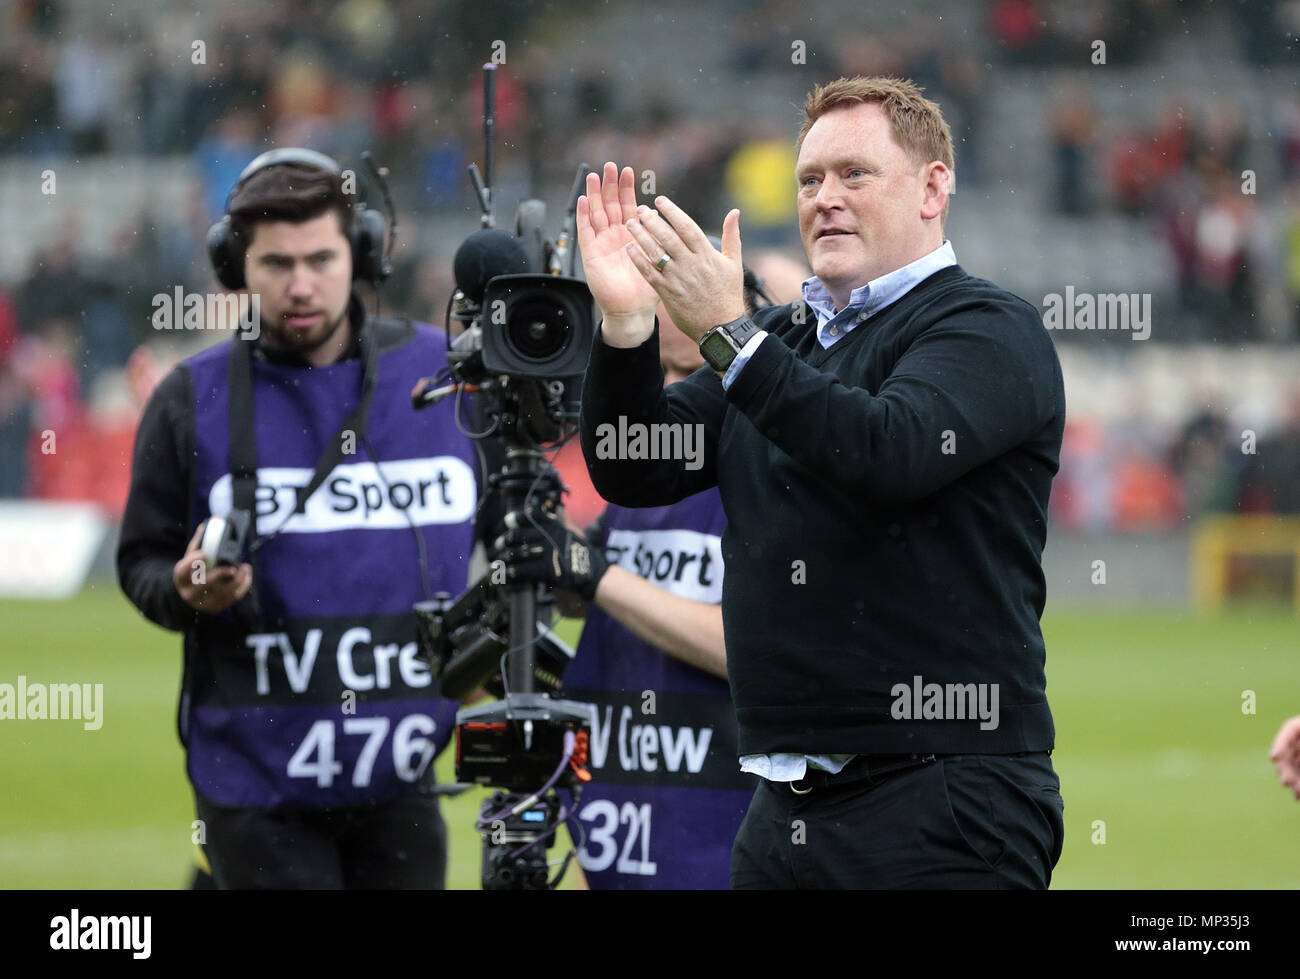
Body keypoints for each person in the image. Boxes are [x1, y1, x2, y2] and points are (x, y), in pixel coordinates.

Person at [575, 76, 1067, 889]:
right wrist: (627, 326)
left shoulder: (988, 326)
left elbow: (885, 449)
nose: (825, 198)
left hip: (947, 793)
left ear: (933, 188)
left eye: (854, 175)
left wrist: (727, 336)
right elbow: (635, 462)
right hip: (782, 809)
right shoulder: (780, 338)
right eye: (810, 181)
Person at [117, 149, 479, 888]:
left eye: (321, 257)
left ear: (364, 253)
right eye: (277, 263)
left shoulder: (447, 380)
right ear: (235, 268)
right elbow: (141, 564)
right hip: (256, 789)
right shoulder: (190, 399)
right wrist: (185, 590)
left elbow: (518, 533)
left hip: (402, 782)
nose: (302, 284)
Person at [498, 267, 771, 889]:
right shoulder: (643, 460)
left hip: (724, 805)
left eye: (691, 386)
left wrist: (593, 574)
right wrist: (534, 550)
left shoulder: (770, 457)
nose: (673, 416)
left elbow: (755, 646)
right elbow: (608, 590)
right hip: (628, 796)